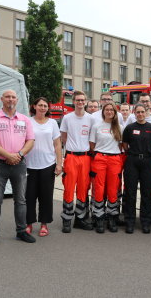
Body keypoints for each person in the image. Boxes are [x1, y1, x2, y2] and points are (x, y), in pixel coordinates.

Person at [0, 89, 35, 248]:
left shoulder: (24, 119)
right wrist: (8, 156)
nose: (11, 99)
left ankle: (22, 231)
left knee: (21, 201)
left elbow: (30, 140)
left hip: (19, 164)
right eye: (7, 97)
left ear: (16, 100)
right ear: (1, 99)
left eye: (13, 97)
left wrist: (18, 154)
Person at [24, 97, 62, 237]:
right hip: (30, 164)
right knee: (29, 196)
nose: (43, 108)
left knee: (46, 196)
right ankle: (28, 223)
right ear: (34, 106)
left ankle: (44, 224)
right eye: (40, 105)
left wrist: (59, 163)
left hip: (48, 164)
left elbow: (57, 144)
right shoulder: (28, 121)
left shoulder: (52, 123)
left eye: (45, 105)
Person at [60, 90, 94, 233]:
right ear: (73, 101)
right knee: (68, 188)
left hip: (86, 157)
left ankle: (80, 219)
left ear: (85, 102)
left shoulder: (91, 119)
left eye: (82, 100)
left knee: (83, 188)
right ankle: (66, 219)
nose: (80, 102)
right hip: (72, 157)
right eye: (78, 100)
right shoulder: (67, 118)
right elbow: (63, 138)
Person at [122, 103, 151, 234]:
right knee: (131, 193)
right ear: (134, 113)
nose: (140, 114)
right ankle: (130, 221)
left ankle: (145, 222)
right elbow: (125, 144)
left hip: (147, 162)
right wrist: (132, 153)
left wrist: (150, 155)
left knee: (146, 193)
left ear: (146, 112)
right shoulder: (129, 128)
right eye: (138, 112)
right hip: (132, 161)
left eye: (142, 112)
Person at [89, 102, 123, 233]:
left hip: (115, 159)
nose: (109, 112)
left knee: (113, 188)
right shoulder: (97, 125)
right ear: (103, 112)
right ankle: (99, 217)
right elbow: (92, 144)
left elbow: (121, 145)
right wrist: (101, 154)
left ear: (115, 112)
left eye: (111, 110)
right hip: (100, 159)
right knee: (99, 187)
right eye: (107, 110)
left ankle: (112, 217)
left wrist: (112, 153)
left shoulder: (120, 127)